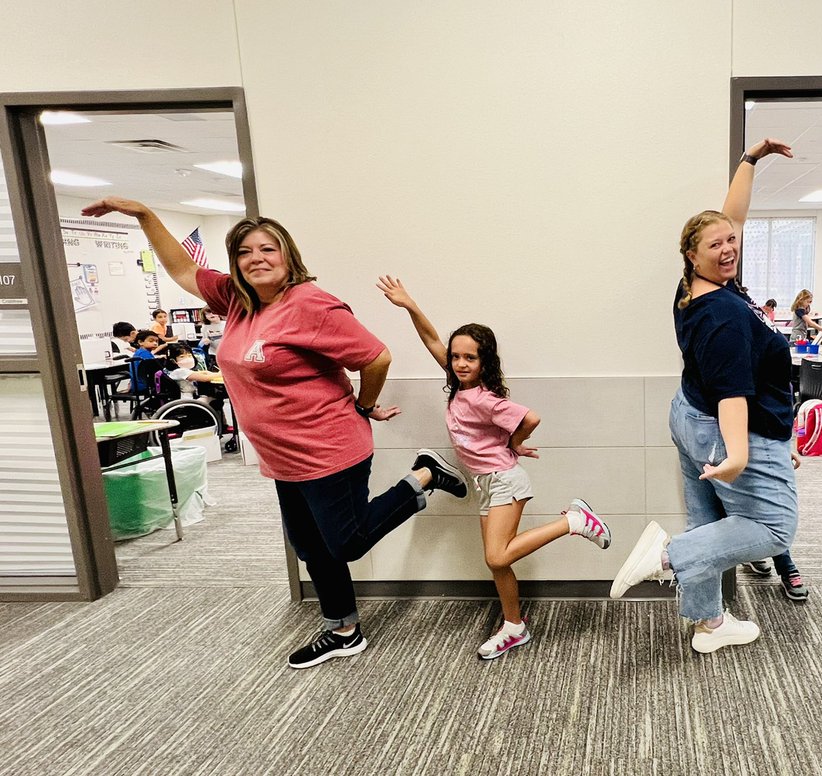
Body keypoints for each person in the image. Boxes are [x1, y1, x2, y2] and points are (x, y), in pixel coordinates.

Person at [82, 196, 470, 670]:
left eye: (268, 249)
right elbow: (182, 269)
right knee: (310, 548)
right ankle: (344, 629)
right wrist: (143, 214)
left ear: (288, 257)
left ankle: (423, 476)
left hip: (330, 448)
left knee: (345, 544)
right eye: (245, 252)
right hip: (283, 456)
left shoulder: (312, 305)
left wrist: (363, 405)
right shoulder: (238, 301)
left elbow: (376, 357)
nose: (256, 259)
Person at [609, 138, 802, 654]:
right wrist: (740, 454)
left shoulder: (695, 287)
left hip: (689, 416)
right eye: (715, 245)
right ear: (692, 256)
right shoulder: (727, 316)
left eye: (730, 242)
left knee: (707, 522)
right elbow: (733, 396)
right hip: (726, 426)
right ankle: (669, 556)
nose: (728, 248)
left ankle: (709, 625)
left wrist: (750, 161)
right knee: (774, 528)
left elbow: (730, 218)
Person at [378, 276, 612, 659]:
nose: (459, 363)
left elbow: (531, 417)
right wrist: (410, 306)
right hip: (487, 483)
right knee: (498, 565)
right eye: (456, 357)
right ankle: (514, 626)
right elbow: (432, 340)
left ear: (484, 361)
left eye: (470, 357)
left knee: (497, 556)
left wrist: (514, 443)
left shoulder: (486, 399)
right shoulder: (459, 386)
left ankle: (574, 521)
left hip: (505, 481)